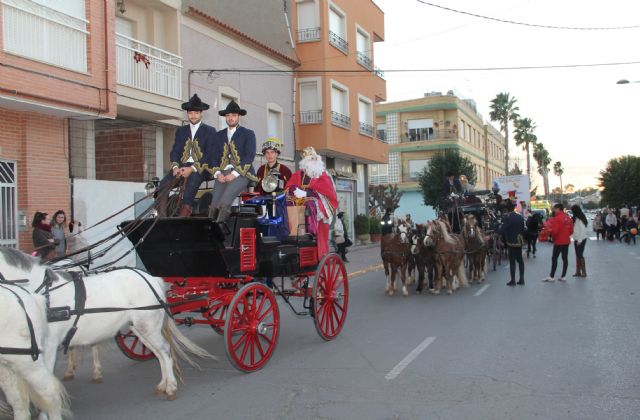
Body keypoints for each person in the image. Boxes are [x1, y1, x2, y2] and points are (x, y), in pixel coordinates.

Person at [157, 94, 216, 217]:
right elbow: (175, 151)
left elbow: (210, 155)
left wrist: (192, 168)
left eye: (196, 113)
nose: (193, 115)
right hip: (181, 167)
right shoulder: (181, 131)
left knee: (192, 182)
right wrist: (175, 167)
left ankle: (184, 213)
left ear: (201, 114)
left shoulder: (210, 131)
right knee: (163, 184)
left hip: (201, 168)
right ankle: (161, 216)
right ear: (187, 114)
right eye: (190, 113)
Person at [285, 146, 338, 259]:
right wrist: (294, 189)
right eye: (310, 159)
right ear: (304, 162)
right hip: (299, 206)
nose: (313, 161)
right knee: (288, 202)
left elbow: (329, 194)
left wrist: (307, 194)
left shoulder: (323, 175)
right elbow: (289, 186)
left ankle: (311, 231)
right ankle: (294, 232)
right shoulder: (298, 175)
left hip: (318, 208)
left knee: (310, 204)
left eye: (314, 159)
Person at [209, 101, 257, 222]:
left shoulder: (248, 134)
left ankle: (220, 235)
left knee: (224, 202)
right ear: (225, 117)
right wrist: (217, 173)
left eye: (234, 115)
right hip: (222, 173)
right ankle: (209, 234)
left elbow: (249, 156)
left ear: (239, 117)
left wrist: (234, 173)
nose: (230, 118)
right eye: (228, 115)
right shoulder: (218, 135)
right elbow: (213, 157)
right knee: (214, 205)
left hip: (242, 173)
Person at [543, 203, 574, 283]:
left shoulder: (557, 218)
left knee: (554, 258)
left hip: (559, 241)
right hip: (566, 241)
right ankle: (563, 276)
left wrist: (549, 231)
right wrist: (566, 235)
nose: (553, 210)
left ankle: (552, 276)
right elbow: (571, 231)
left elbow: (555, 231)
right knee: (565, 258)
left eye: (554, 209)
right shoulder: (568, 218)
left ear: (558, 209)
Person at [499, 200, 526, 286]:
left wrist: (496, 232)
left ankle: (513, 280)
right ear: (514, 208)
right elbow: (523, 230)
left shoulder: (508, 218)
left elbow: (503, 229)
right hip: (519, 241)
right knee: (520, 261)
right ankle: (522, 279)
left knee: (512, 262)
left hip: (511, 242)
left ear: (507, 209)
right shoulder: (520, 217)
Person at [571, 205, 588, 277]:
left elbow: (583, 230)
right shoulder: (576, 218)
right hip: (577, 239)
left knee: (580, 255)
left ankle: (584, 272)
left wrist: (579, 240)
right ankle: (578, 272)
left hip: (581, 239)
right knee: (578, 255)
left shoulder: (580, 219)